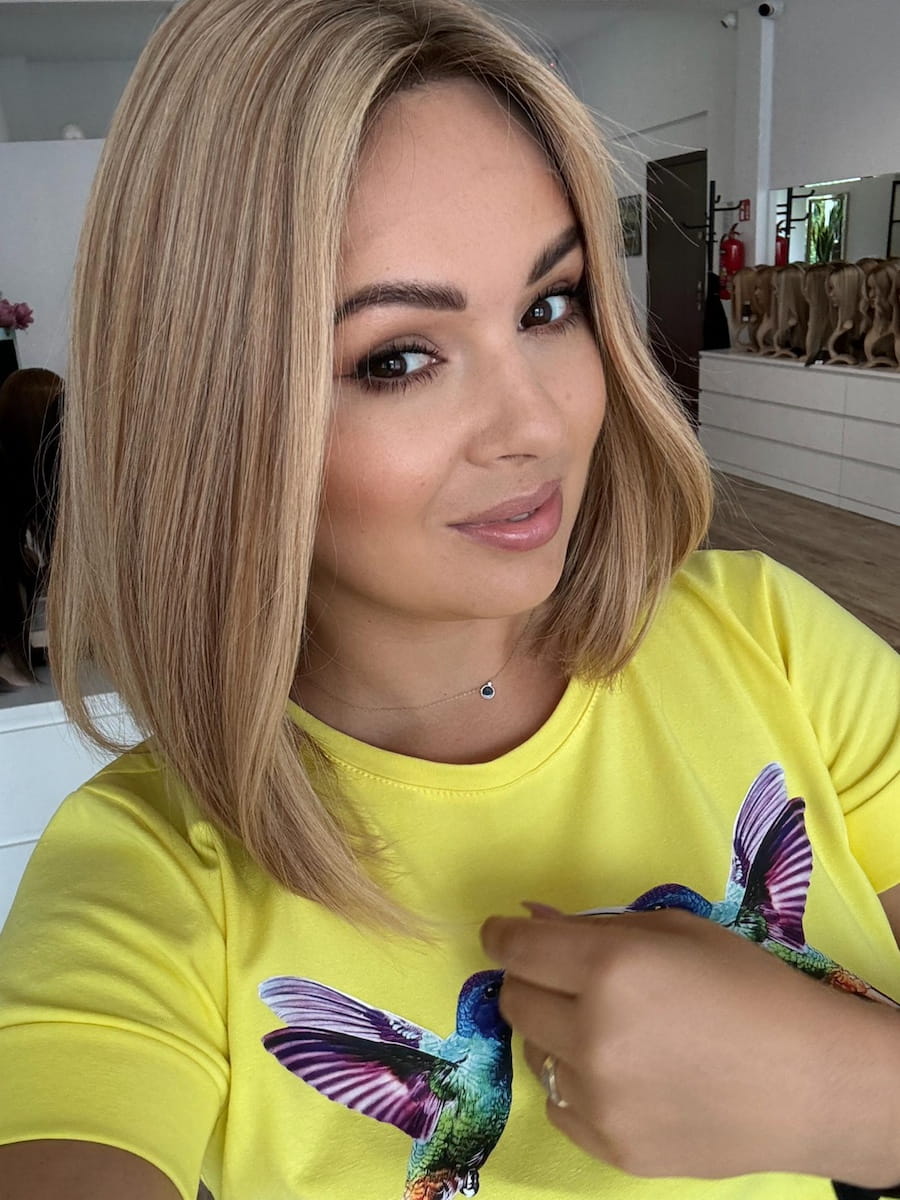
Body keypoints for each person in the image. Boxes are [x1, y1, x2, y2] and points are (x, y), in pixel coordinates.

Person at [1, 1, 899, 1198]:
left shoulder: (768, 642)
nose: (535, 423)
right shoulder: (150, 873)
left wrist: (845, 1097)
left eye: (549, 305)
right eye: (398, 358)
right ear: (215, 417)